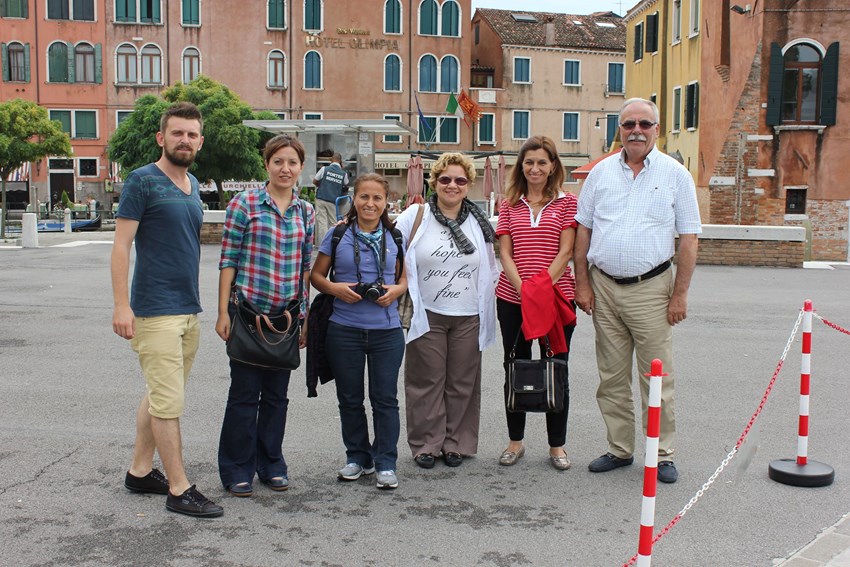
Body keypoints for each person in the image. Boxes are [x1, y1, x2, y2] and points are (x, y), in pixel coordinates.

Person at [573, 97, 701, 484]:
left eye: (644, 124)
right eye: (629, 124)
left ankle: (661, 454)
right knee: (611, 376)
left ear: (656, 129)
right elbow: (584, 230)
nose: (636, 131)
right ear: (620, 129)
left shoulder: (676, 175)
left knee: (657, 376)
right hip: (605, 287)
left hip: (652, 289)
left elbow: (689, 238)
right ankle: (619, 448)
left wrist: (679, 294)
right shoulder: (600, 174)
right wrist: (582, 282)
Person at [111, 101, 223, 518]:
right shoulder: (142, 180)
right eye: (177, 133)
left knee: (161, 395)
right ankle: (180, 487)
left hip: (186, 308)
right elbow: (121, 245)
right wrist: (122, 305)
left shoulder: (194, 185)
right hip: (154, 309)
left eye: (192, 134)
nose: (185, 140)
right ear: (162, 137)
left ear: (200, 141)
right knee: (168, 401)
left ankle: (140, 471)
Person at [214, 135, 314, 498]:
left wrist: (303, 316)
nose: (285, 169)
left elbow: (305, 268)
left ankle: (271, 463)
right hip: (247, 314)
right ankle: (236, 468)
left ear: (301, 168)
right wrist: (222, 311)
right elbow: (228, 260)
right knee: (243, 395)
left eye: (292, 162)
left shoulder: (306, 212)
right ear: (266, 165)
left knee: (277, 396)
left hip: (286, 318)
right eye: (278, 162)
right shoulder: (245, 204)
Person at [395, 153, 499, 469]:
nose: (452, 185)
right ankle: (427, 443)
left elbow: (495, 263)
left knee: (463, 382)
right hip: (427, 311)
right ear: (435, 182)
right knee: (424, 381)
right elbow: (389, 248)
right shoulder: (415, 216)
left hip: (469, 313)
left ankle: (457, 443)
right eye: (445, 179)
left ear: (468, 185)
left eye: (460, 180)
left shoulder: (480, 222)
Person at [310, 173, 407, 489]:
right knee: (349, 398)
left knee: (385, 399)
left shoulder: (395, 237)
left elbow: (404, 279)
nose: (370, 203)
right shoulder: (338, 235)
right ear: (354, 199)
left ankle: (386, 462)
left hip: (387, 331)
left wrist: (395, 291)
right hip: (345, 329)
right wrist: (336, 289)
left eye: (377, 198)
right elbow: (317, 276)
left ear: (386, 202)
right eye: (364, 196)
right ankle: (357, 458)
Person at [495, 135, 578, 471]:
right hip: (512, 299)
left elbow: (566, 251)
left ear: (553, 166)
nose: (535, 168)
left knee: (556, 369)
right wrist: (524, 289)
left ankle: (556, 445)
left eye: (542, 162)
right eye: (529, 162)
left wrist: (539, 289)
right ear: (521, 166)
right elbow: (505, 251)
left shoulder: (567, 203)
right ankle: (516, 441)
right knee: (515, 366)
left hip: (556, 299)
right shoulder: (508, 205)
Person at [312, 152, 350, 244]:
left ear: (331, 160)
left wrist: (321, 185)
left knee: (322, 223)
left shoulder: (324, 169)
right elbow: (346, 184)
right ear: (340, 162)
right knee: (333, 222)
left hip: (321, 198)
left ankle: (323, 245)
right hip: (333, 201)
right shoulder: (343, 173)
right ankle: (332, 244)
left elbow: (314, 181)